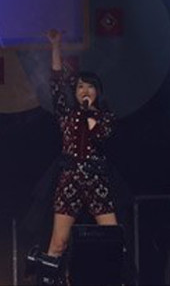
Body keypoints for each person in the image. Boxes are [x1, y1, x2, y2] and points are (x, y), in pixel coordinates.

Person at [25, 29, 120, 285]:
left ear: (97, 91)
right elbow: (56, 82)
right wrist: (56, 46)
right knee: (58, 242)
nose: (84, 90)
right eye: (79, 86)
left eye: (89, 86)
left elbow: (101, 136)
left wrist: (91, 117)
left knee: (111, 237)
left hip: (97, 180)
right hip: (70, 180)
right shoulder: (66, 114)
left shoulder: (105, 117)